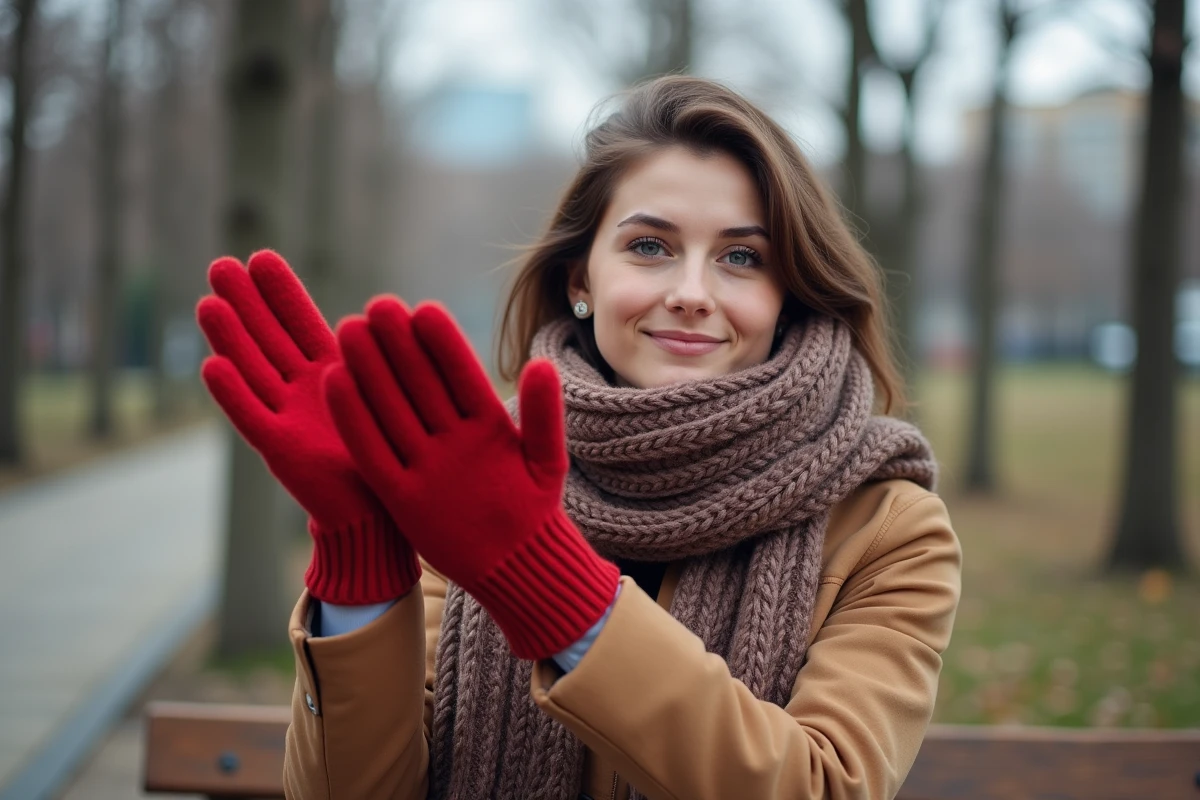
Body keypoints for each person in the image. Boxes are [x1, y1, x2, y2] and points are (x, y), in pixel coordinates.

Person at [196, 75, 961, 800]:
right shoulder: (462, 480)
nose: (691, 293)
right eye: (650, 247)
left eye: (741, 257)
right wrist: (361, 549)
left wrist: (550, 585)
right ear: (580, 279)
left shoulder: (890, 529)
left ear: (787, 290)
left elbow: (823, 786)